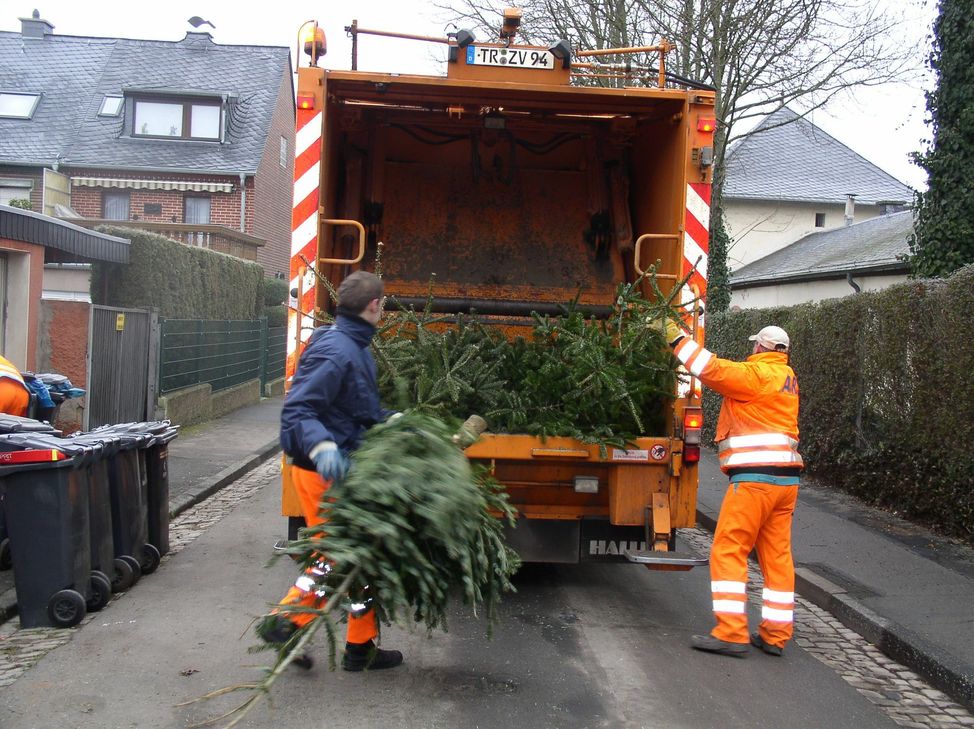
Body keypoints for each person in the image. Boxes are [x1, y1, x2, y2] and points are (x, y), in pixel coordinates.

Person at [258, 270, 403, 672]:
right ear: (375, 305)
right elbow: (300, 408)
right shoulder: (339, 351)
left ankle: (359, 645)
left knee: (357, 557)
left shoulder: (350, 344)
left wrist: (389, 420)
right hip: (322, 472)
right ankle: (286, 623)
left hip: (338, 468)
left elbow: (355, 409)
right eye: (383, 305)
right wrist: (322, 445)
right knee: (336, 557)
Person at [664, 321, 802, 658]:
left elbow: (709, 368)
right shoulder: (788, 378)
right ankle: (775, 635)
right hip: (787, 483)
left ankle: (731, 632)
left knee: (728, 550)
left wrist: (675, 337)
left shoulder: (756, 375)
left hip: (755, 481)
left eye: (755, 345)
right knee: (777, 558)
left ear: (760, 348)